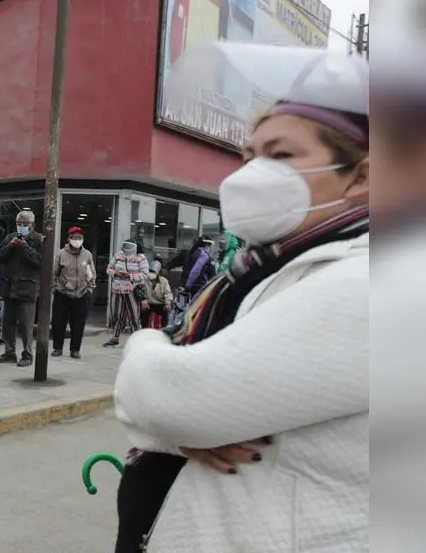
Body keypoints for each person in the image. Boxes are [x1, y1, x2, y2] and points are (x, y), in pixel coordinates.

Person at [114, 43, 369, 552]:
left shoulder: (372, 281)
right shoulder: (268, 268)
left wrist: (143, 341)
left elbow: (172, 397)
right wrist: (181, 423)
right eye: (249, 155)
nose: (251, 172)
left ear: (362, 175)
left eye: (281, 155)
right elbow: (188, 412)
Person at [0, 210, 42, 367]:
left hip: (27, 288)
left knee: (26, 324)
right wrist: (10, 246)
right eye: (19, 224)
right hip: (9, 286)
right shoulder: (10, 237)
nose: (21, 227)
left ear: (32, 225)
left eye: (25, 224)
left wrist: (25, 247)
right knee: (7, 322)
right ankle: (9, 352)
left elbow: (40, 261)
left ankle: (27, 354)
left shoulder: (39, 239)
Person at [51, 226, 96, 358]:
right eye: (75, 238)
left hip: (81, 294)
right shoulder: (61, 254)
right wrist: (54, 288)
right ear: (69, 239)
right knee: (59, 323)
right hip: (63, 293)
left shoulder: (87, 255)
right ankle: (57, 348)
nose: (77, 240)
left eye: (80, 238)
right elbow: (54, 273)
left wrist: (90, 289)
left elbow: (91, 274)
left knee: (78, 324)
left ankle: (75, 349)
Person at [103, 240, 149, 348]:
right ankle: (115, 338)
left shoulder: (141, 258)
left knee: (134, 316)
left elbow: (145, 274)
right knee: (117, 316)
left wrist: (130, 276)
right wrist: (116, 273)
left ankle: (137, 341)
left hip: (132, 290)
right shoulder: (118, 256)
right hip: (117, 289)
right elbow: (109, 269)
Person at [140, 260, 173, 330]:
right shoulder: (144, 279)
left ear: (158, 273)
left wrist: (168, 302)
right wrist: (143, 299)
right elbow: (140, 290)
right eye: (150, 271)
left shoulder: (163, 281)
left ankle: (164, 330)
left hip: (160, 304)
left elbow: (168, 293)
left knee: (166, 312)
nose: (151, 273)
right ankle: (143, 329)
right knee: (143, 313)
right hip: (148, 303)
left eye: (153, 271)